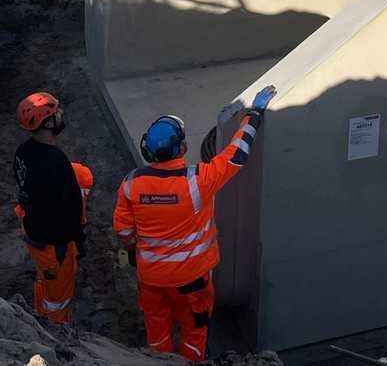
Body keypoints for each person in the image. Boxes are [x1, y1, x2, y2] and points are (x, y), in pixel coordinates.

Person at [113, 86, 275, 361]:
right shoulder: (197, 182)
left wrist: (133, 251)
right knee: (194, 331)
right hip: (191, 281)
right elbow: (237, 154)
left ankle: (159, 361)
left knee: (157, 332)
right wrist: (255, 114)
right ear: (182, 148)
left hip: (151, 279)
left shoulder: (131, 184)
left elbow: (124, 232)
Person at [13, 92, 90, 324]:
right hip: (55, 246)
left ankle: (41, 308)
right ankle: (57, 329)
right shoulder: (55, 162)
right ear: (47, 123)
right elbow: (70, 211)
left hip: (34, 233)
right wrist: (78, 241)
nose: (61, 114)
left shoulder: (23, 152)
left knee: (45, 278)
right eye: (56, 112)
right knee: (59, 297)